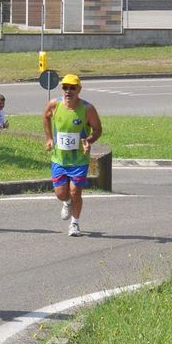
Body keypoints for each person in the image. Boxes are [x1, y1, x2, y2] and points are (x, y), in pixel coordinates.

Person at [42, 74, 103, 237]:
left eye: (72, 88)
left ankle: (74, 224)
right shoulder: (55, 104)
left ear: (79, 89)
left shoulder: (87, 109)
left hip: (79, 160)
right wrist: (49, 138)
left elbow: (98, 130)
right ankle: (67, 202)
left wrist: (88, 140)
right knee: (61, 193)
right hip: (59, 159)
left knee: (76, 191)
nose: (68, 91)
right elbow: (45, 117)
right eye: (65, 87)